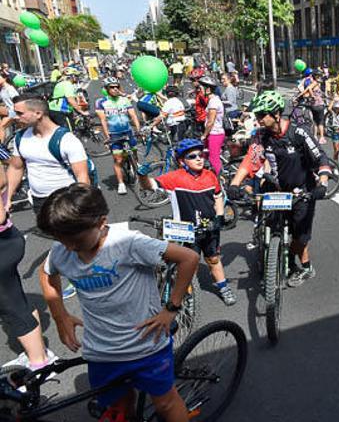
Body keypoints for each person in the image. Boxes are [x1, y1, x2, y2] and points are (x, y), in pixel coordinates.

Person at [37, 184, 197, 422]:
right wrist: (60, 316)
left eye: (76, 240)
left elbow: (189, 258)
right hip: (101, 352)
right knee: (119, 407)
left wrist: (171, 309)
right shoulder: (62, 248)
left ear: (101, 222)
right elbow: (46, 273)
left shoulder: (129, 243)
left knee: (165, 403)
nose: (69, 247)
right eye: (61, 239)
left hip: (146, 348)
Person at [227, 91, 332, 287]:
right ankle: (269, 251)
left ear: (276, 114)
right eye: (256, 116)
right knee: (270, 222)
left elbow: (321, 157)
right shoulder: (261, 136)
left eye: (261, 115)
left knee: (300, 236)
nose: (257, 120)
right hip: (275, 189)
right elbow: (250, 160)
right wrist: (235, 183)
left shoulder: (298, 133)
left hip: (302, 191)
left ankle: (305, 267)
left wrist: (323, 183)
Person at [137, 139, 237, 306]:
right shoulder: (174, 178)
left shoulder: (210, 175)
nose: (199, 159)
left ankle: (223, 287)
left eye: (202, 155)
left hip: (210, 228)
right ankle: (189, 294)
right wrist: (142, 175)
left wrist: (219, 218)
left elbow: (218, 196)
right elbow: (149, 186)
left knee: (213, 259)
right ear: (182, 161)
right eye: (193, 156)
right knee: (189, 265)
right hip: (186, 231)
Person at [0, 163, 57, 372]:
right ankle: (38, 355)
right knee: (16, 300)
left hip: (3, 244)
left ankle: (40, 364)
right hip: (7, 239)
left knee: (11, 307)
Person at [95, 78, 141, 195]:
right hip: (114, 134)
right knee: (118, 159)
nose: (115, 89)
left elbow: (133, 115)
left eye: (117, 87)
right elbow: (103, 121)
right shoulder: (101, 102)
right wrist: (107, 137)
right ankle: (121, 183)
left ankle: (132, 166)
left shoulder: (124, 100)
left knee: (134, 154)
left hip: (127, 131)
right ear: (106, 89)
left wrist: (138, 129)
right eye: (112, 87)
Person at [198, 77, 225, 176]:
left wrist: (204, 135)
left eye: (201, 88)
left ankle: (219, 184)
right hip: (212, 133)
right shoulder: (212, 100)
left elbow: (211, 122)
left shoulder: (213, 102)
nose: (199, 90)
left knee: (214, 160)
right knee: (204, 156)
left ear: (208, 89)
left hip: (215, 134)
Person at [300, 68, 326, 144]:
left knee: (314, 120)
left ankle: (314, 136)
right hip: (319, 104)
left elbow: (307, 89)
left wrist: (300, 96)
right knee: (320, 122)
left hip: (313, 105)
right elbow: (310, 89)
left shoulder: (311, 81)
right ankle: (321, 137)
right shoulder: (317, 82)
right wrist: (313, 95)